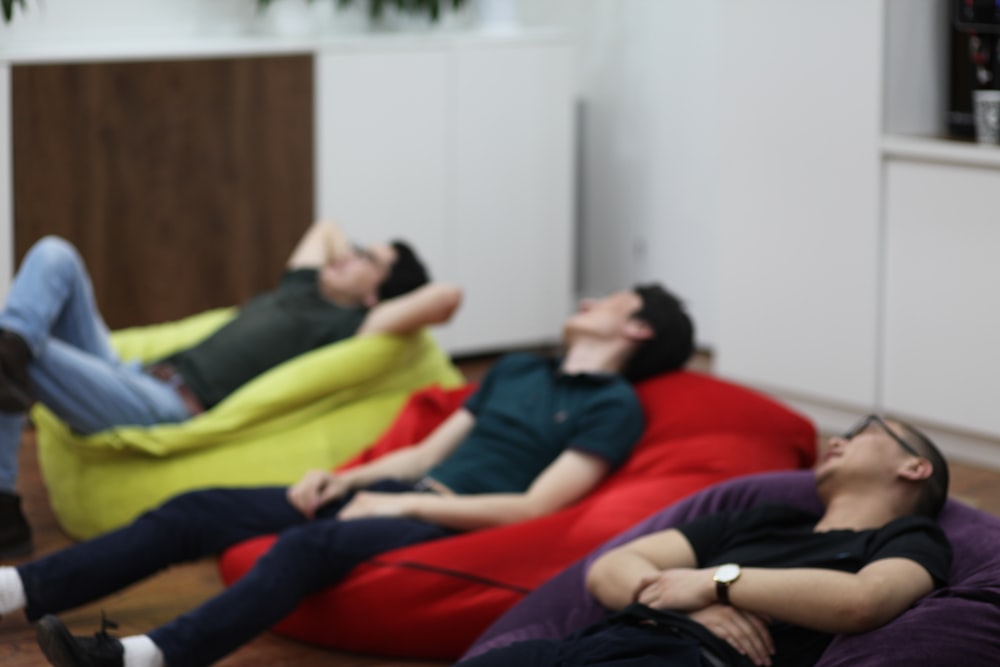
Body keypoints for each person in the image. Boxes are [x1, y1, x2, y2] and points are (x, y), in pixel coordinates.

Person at [0, 283, 695, 667]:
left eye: (611, 298)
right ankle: (13, 588)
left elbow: (533, 506)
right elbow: (424, 454)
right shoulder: (516, 368)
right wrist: (342, 481)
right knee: (194, 508)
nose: (589, 298)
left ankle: (145, 659)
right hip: (398, 493)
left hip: (441, 517)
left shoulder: (613, 406)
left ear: (636, 330)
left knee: (301, 549)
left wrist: (406, 511)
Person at [0, 221, 462, 557]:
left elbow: (446, 299)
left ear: (376, 297)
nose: (346, 254)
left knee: (23, 352)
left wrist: (380, 293)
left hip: (163, 404)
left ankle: (2, 498)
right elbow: (326, 230)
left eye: (366, 259)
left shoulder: (355, 323)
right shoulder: (303, 285)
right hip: (134, 371)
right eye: (356, 249)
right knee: (54, 254)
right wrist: (359, 257)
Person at [456, 414, 952, 667]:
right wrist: (691, 600)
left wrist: (716, 582)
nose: (836, 440)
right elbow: (612, 567)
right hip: (586, 644)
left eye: (865, 430)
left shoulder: (911, 538)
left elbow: (862, 603)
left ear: (914, 467)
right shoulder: (767, 519)